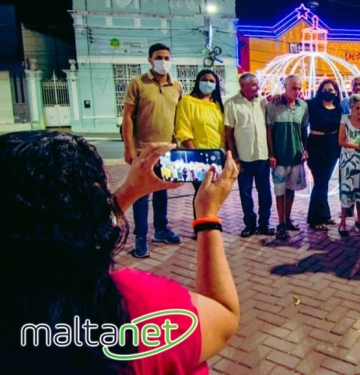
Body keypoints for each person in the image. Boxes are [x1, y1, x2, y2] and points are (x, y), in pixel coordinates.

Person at [0, 131, 240, 374]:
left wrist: (130, 190)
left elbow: (72, 233)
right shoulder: (139, 310)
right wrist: (207, 217)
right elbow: (223, 316)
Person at [122, 43, 182, 258]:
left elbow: (178, 117)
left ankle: (161, 230)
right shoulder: (138, 83)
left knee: (161, 191)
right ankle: (140, 236)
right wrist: (129, 148)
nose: (163, 61)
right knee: (140, 194)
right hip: (143, 150)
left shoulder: (177, 86)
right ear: (150, 60)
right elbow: (127, 117)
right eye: (158, 57)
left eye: (166, 57)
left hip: (166, 150)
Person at [175, 69, 225, 239]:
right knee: (201, 193)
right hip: (197, 156)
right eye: (205, 79)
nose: (208, 83)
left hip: (217, 156)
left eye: (212, 81)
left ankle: (210, 223)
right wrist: (195, 154)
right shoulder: (187, 102)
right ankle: (201, 227)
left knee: (213, 193)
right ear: (198, 81)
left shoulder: (217, 105)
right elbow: (183, 129)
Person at [224, 73, 274, 237]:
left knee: (265, 192)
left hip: (262, 156)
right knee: (245, 193)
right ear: (242, 86)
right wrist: (235, 158)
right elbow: (229, 133)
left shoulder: (263, 102)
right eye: (253, 85)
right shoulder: (231, 104)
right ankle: (250, 224)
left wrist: (271, 153)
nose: (257, 87)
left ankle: (264, 224)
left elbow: (269, 128)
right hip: (244, 157)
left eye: (257, 84)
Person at [266, 74, 309, 240]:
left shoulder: (303, 106)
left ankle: (287, 218)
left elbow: (303, 130)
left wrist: (305, 149)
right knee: (279, 191)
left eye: (299, 89)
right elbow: (269, 130)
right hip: (279, 156)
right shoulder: (273, 105)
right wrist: (271, 153)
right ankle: (281, 223)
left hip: (296, 156)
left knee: (291, 189)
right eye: (293, 88)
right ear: (285, 87)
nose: (296, 92)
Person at [306, 79, 342, 230]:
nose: (328, 92)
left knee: (324, 181)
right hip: (315, 145)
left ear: (336, 92)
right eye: (325, 89)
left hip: (331, 146)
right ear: (320, 91)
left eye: (331, 90)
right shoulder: (312, 105)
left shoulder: (338, 108)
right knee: (320, 181)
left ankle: (324, 214)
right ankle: (315, 219)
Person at [338, 95, 360, 236]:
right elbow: (341, 141)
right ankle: (342, 222)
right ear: (351, 107)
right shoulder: (345, 119)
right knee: (347, 189)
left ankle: (359, 219)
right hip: (348, 161)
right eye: (357, 108)